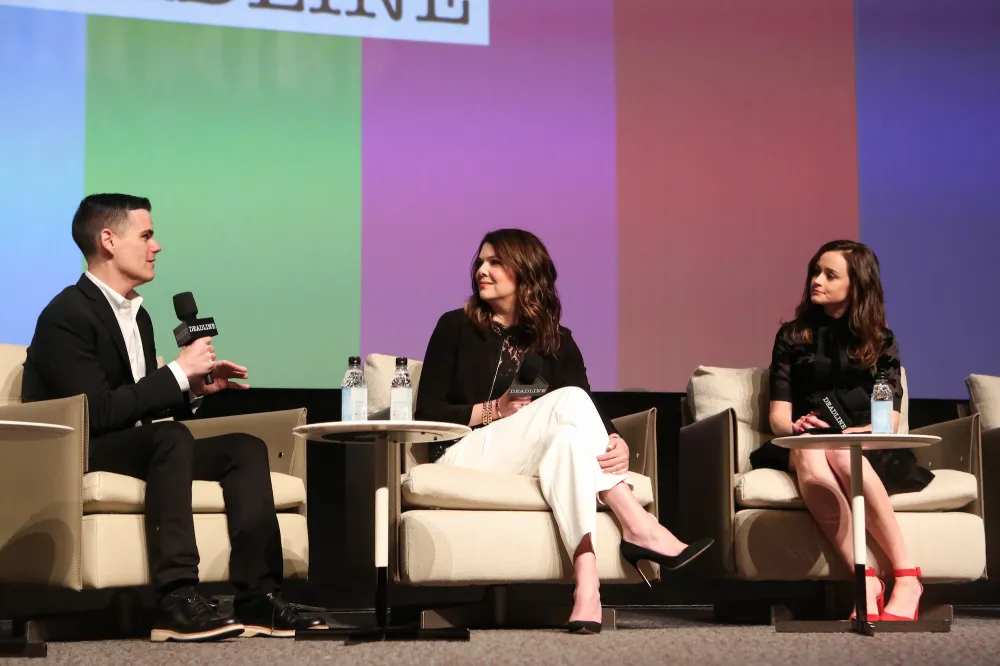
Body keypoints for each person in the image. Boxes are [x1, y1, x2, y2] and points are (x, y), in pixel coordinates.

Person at [21, 194, 326, 642]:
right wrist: (178, 371)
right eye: (146, 235)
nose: (156, 246)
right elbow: (98, 412)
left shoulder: (137, 315)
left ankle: (258, 599)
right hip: (77, 450)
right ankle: (176, 598)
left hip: (132, 443)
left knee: (244, 448)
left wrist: (192, 389)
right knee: (170, 439)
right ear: (108, 240)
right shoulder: (66, 315)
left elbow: (140, 404)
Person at [414, 228, 714, 634]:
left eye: (495, 262)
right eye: (480, 262)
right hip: (463, 454)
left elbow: (587, 407)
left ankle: (587, 587)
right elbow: (428, 411)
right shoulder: (455, 327)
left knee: (571, 439)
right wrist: (494, 410)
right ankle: (639, 525)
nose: (482, 270)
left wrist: (615, 440)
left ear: (525, 272)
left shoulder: (557, 340)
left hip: (530, 460)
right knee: (567, 399)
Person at [750, 239, 931, 622]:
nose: (816, 280)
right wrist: (797, 425)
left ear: (857, 285)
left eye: (829, 274)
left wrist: (855, 435)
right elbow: (779, 418)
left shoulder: (880, 340)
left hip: (868, 442)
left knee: (840, 451)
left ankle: (907, 575)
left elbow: (889, 422)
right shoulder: (791, 337)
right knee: (814, 450)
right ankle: (864, 577)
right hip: (810, 442)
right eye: (815, 271)